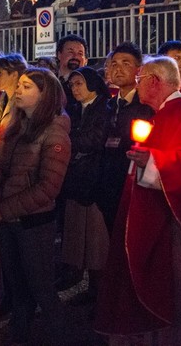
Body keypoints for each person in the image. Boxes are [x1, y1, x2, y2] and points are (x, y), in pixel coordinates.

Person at [95, 56, 181, 345]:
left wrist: (153, 160)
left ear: (154, 81)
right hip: (166, 217)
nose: (137, 85)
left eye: (140, 79)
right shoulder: (167, 113)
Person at [0, 67, 71, 345]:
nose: (18, 90)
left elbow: (47, 188)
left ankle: (60, 336)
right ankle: (19, 333)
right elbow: (9, 172)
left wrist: (2, 211)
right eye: (19, 85)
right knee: (16, 285)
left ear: (45, 95)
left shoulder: (55, 134)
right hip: (8, 221)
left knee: (41, 287)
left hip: (33, 223)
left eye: (27, 87)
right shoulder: (16, 130)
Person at [59, 67, 110, 303]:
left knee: (95, 236)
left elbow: (94, 139)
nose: (74, 89)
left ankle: (97, 286)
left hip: (94, 179)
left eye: (79, 83)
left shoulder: (103, 108)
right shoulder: (75, 109)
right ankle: (75, 273)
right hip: (77, 178)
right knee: (76, 230)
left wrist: (68, 141)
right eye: (72, 85)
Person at [98, 43, 154, 231]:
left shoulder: (146, 105)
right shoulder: (109, 104)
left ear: (139, 69)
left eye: (126, 63)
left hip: (133, 182)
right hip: (108, 185)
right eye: (114, 64)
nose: (118, 69)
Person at [0, 53, 27, 139]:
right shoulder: (3, 98)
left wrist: (2, 145)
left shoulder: (23, 102)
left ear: (14, 75)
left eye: (0, 73)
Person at [55, 35, 88, 108]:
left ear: (86, 60)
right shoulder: (48, 81)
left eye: (80, 53)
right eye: (70, 52)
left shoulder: (90, 85)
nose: (75, 56)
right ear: (59, 55)